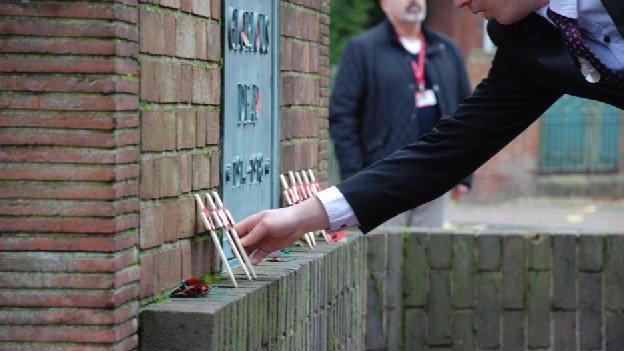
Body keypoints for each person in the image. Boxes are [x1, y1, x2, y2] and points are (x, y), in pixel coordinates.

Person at [237, 0, 624, 264]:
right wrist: (301, 218)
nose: (457, 4)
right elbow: (449, 148)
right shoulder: (524, 42)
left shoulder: (450, 47)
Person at [330, 0, 472, 228]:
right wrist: (354, 181)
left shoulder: (446, 49)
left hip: (437, 175)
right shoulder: (362, 49)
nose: (414, 1)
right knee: (384, 257)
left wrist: (464, 174)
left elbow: (468, 114)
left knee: (429, 256)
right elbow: (343, 117)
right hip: (381, 179)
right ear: (385, 4)